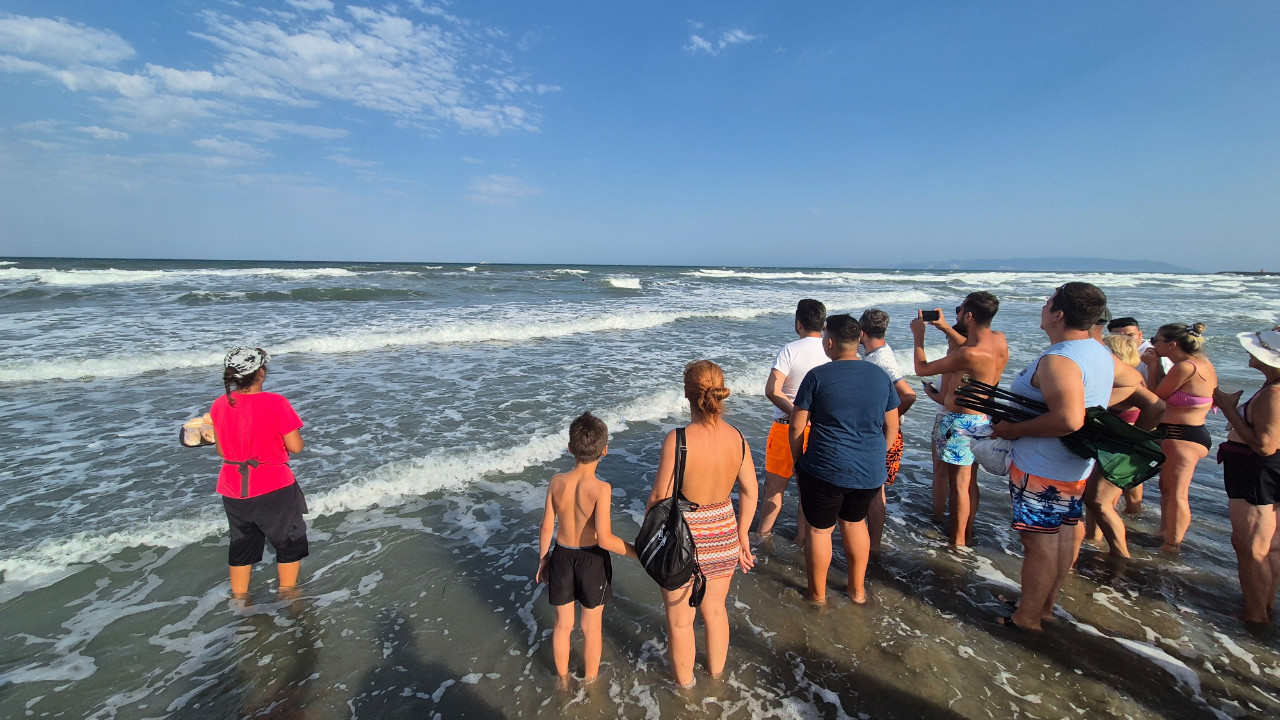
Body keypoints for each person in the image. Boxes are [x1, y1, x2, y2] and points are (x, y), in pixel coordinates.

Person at [992, 283, 1114, 631]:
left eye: (1048, 303)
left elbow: (1069, 419)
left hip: (1042, 466)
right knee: (1060, 535)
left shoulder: (1061, 359)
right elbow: (1127, 384)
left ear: (1059, 314)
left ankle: (1027, 618)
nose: (1043, 307)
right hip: (1073, 464)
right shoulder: (1096, 350)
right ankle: (1042, 606)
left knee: (1039, 543)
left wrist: (1014, 429)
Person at [647, 360, 757, 688]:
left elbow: (659, 498)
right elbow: (750, 491)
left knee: (681, 623)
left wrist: (646, 541)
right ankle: (717, 681)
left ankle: (685, 693)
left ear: (687, 395)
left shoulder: (678, 439)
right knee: (716, 612)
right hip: (723, 533)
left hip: (684, 539)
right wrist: (742, 535)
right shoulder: (737, 437)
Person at [791, 315, 900, 603]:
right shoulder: (880, 376)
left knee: (819, 530)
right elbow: (892, 426)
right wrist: (876, 455)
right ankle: (857, 591)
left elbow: (796, 426)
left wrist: (798, 461)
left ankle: (817, 595)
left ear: (829, 342)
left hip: (825, 467)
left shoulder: (817, 376)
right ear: (859, 339)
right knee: (854, 523)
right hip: (868, 471)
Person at [536, 412, 636, 686]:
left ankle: (563, 681)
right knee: (591, 628)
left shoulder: (557, 481)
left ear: (570, 448)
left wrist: (544, 559)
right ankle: (590, 684)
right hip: (592, 560)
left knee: (562, 625)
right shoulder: (601, 488)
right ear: (605, 450)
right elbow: (605, 539)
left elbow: (546, 526)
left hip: (561, 556)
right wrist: (636, 552)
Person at [911, 292, 1009, 547]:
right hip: (982, 418)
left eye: (962, 310)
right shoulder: (999, 340)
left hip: (961, 422)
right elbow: (969, 345)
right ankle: (967, 532)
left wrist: (919, 337)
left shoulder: (968, 355)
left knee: (959, 485)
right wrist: (945, 327)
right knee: (969, 482)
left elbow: (922, 368)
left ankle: (957, 540)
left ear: (969, 316)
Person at [209, 347, 309, 600]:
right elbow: (295, 446)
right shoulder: (276, 402)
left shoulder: (220, 403)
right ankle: (288, 595)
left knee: (241, 544)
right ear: (261, 372)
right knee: (289, 542)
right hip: (273, 484)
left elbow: (222, 451)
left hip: (233, 486)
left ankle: (239, 600)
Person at [1083, 319, 1164, 558]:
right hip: (1114, 446)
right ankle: (1094, 539)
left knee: (1100, 502)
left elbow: (1158, 407)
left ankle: (1120, 555)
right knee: (1094, 499)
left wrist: (1132, 438)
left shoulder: (1126, 382)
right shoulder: (1124, 378)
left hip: (1119, 448)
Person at [1214, 331, 1280, 623]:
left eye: (1255, 349)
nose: (1249, 353)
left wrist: (1228, 408)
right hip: (1263, 471)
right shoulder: (1272, 387)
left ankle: (1255, 614)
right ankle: (1264, 607)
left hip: (1256, 472)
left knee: (1250, 547)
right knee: (1270, 546)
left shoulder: (1274, 393)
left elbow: (1265, 446)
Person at [758, 299, 829, 542]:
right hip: (819, 430)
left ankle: (762, 538)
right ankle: (802, 542)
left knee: (774, 490)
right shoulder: (831, 350)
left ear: (798, 323)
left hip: (786, 429)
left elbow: (772, 390)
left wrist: (797, 413)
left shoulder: (790, 350)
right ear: (823, 323)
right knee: (807, 491)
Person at [1143, 322, 1218, 552]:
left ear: (1172, 345)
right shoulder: (1202, 363)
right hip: (1188, 433)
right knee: (1167, 489)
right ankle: (1165, 534)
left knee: (1177, 493)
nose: (1152, 344)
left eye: (1156, 340)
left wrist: (1153, 365)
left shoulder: (1185, 367)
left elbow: (1155, 398)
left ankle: (1172, 547)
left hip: (1182, 436)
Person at [858, 309, 917, 555]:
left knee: (874, 491)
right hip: (882, 431)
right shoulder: (879, 352)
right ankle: (871, 543)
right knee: (874, 489)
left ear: (862, 333)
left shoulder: (880, 361)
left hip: (883, 433)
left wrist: (890, 418)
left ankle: (873, 545)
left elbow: (908, 395)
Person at [1106, 315, 1170, 514]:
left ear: (1140, 334)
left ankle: (1125, 514)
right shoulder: (1130, 366)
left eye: (1129, 335)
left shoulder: (1149, 359)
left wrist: (1137, 437)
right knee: (1127, 477)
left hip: (1133, 425)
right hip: (1130, 424)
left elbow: (1157, 400)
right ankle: (1132, 516)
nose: (1125, 339)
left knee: (1107, 492)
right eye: (1119, 336)